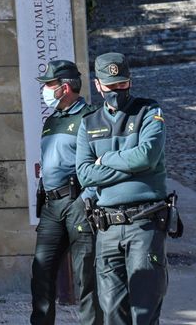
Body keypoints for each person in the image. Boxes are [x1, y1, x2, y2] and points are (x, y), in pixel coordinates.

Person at [76, 53, 168, 325]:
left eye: (122, 84)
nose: (117, 90)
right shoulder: (89, 123)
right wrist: (132, 167)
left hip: (144, 223)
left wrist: (104, 160)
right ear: (98, 85)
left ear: (130, 81)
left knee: (144, 312)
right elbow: (84, 174)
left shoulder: (148, 111)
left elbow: (147, 155)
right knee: (112, 312)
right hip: (107, 228)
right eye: (110, 85)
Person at [30, 60, 101, 325]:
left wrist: (87, 197)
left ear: (66, 87)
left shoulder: (91, 117)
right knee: (41, 271)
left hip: (78, 202)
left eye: (49, 84)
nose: (45, 90)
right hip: (51, 204)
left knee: (86, 277)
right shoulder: (52, 120)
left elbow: (101, 160)